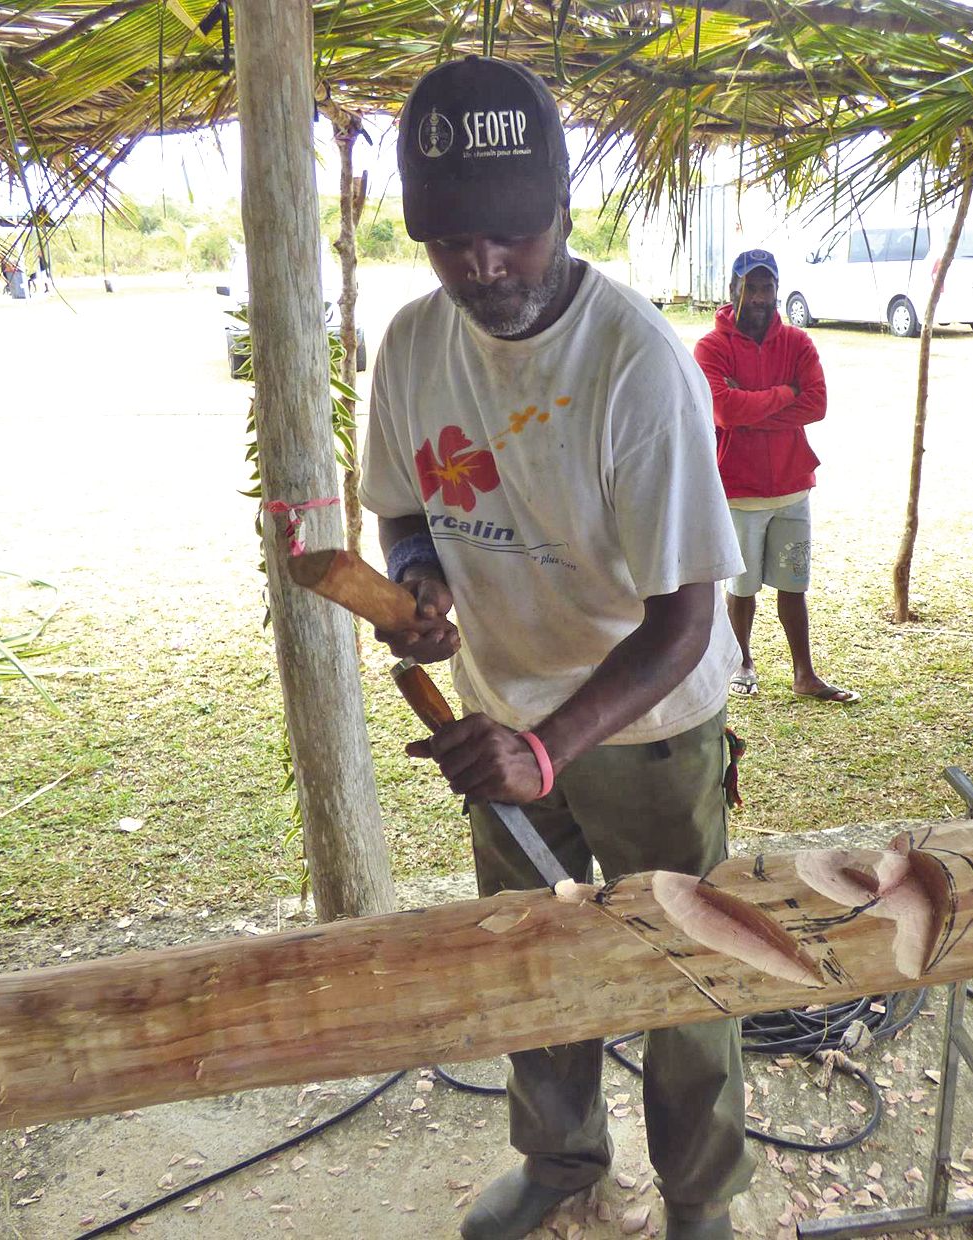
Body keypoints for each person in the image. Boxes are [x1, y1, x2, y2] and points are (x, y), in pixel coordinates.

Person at [357, 56, 753, 1240]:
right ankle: (565, 1160)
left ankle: (699, 1200)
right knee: (531, 959)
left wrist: (546, 745)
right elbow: (404, 506)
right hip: (501, 715)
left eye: (511, 234)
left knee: (683, 974)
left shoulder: (636, 364)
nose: (483, 264)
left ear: (564, 212)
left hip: (647, 730)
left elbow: (687, 616)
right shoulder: (415, 344)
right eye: (452, 241)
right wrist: (420, 582)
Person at [692, 248, 856, 704]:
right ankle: (741, 663)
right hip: (738, 489)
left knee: (793, 585)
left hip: (792, 486)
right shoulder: (711, 347)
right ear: (734, 289)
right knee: (741, 589)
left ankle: (805, 674)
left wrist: (752, 407)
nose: (761, 297)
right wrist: (786, 395)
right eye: (752, 287)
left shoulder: (798, 343)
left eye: (767, 288)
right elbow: (722, 409)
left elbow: (817, 404)